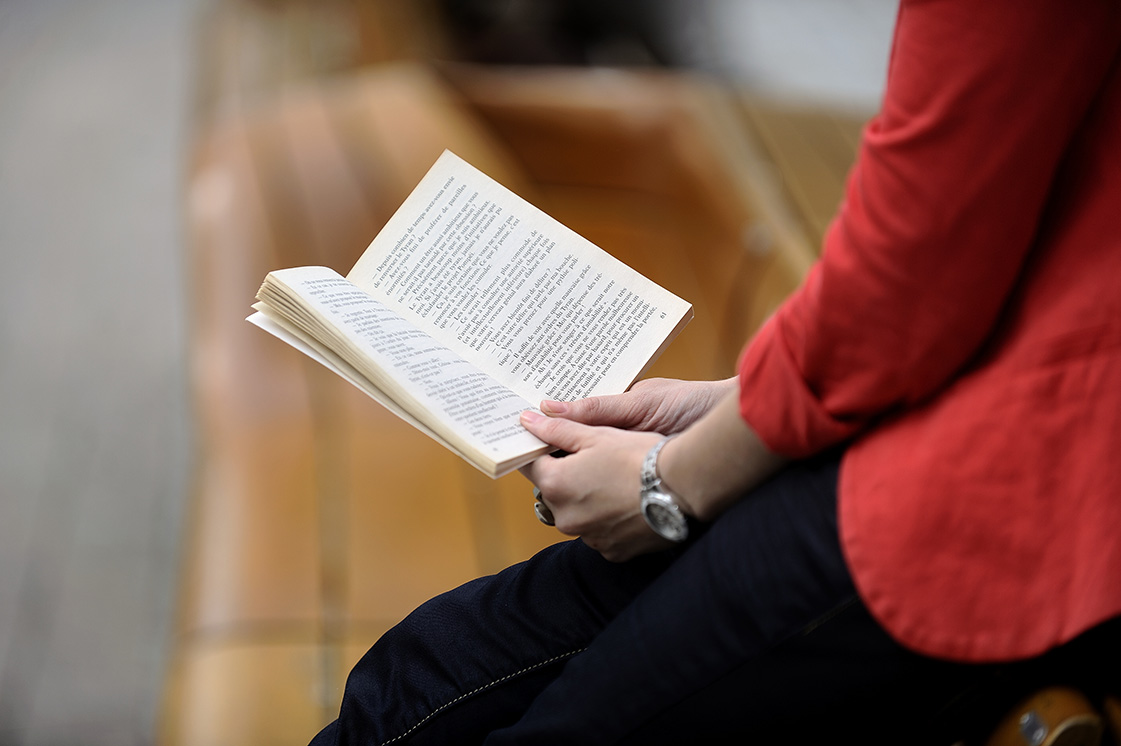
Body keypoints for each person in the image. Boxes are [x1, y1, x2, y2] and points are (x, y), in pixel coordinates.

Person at [310, 0, 1121, 742]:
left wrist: (668, 487)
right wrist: (736, 407)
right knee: (415, 683)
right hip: (993, 409)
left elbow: (914, 268)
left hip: (1014, 496)